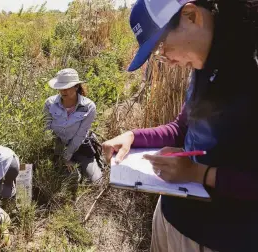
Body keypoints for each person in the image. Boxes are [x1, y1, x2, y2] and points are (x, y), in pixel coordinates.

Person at [103, 1, 258, 252]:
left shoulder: (250, 67)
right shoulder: (203, 63)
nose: (168, 61)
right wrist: (133, 136)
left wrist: (199, 174)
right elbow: (182, 128)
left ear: (190, 15)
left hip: (219, 238)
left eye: (163, 46)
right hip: (170, 216)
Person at [43, 68, 102, 183]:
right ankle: (73, 168)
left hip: (80, 147)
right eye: (61, 87)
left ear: (76, 87)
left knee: (97, 181)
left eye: (67, 87)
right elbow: (47, 130)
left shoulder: (89, 107)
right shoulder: (50, 103)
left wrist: (67, 156)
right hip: (58, 147)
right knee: (72, 179)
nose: (63, 91)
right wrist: (60, 155)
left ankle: (85, 163)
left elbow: (81, 134)